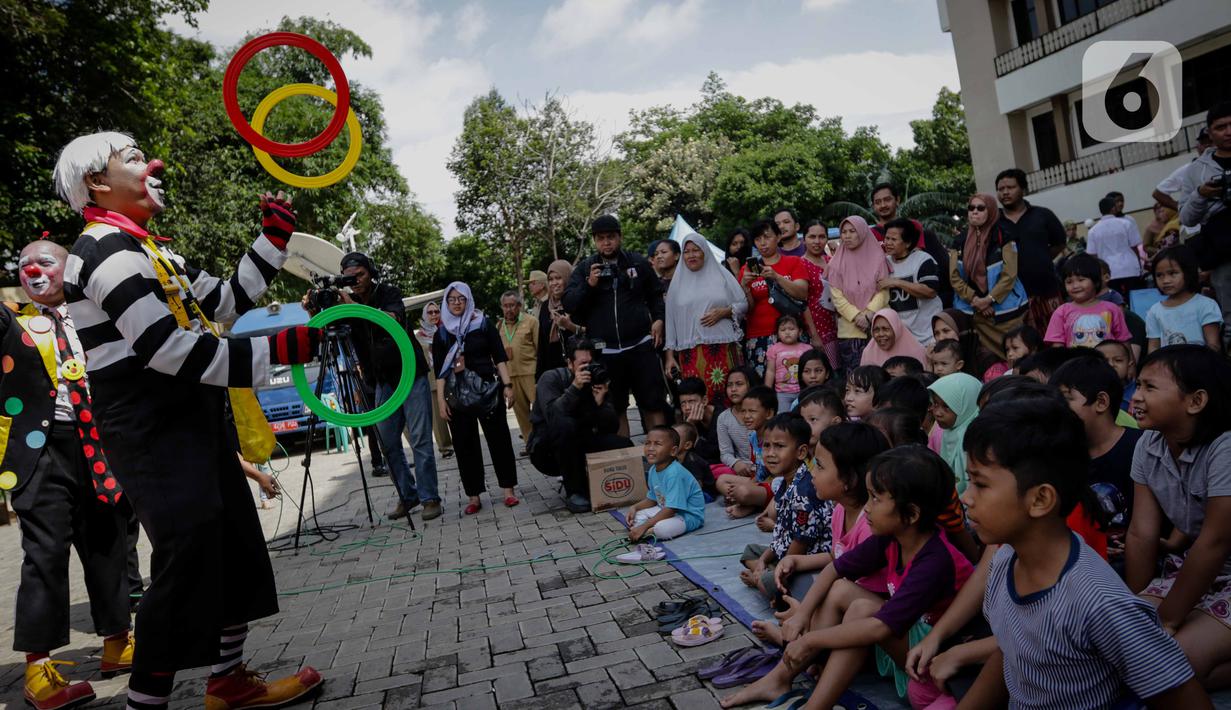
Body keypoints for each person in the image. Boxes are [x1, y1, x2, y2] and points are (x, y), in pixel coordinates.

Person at [55, 132, 321, 709]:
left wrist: (272, 240)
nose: (150, 163)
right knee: (188, 556)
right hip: (150, 427)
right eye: (132, 158)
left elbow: (224, 301)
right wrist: (275, 351)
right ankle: (145, 703)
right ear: (97, 183)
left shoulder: (150, 248)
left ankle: (228, 681)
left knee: (233, 544)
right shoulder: (103, 249)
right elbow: (163, 347)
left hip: (192, 416)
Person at [956, 398, 1208, 709]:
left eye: (980, 484)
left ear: (1040, 500)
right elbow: (1012, 653)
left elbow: (1182, 697)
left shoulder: (1100, 603)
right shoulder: (1005, 560)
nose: (966, 497)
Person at [721, 446, 973, 709]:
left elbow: (880, 628)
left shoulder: (935, 561)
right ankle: (782, 677)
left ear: (911, 514)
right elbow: (835, 568)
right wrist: (802, 615)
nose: (867, 509)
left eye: (875, 499)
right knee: (842, 589)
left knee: (864, 612)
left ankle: (815, 700)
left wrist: (810, 639)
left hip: (932, 664)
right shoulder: (892, 536)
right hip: (909, 642)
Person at [5, 240, 135, 710]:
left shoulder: (97, 315)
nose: (33, 271)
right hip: (41, 450)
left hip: (99, 443)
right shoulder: (13, 324)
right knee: (45, 552)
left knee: (108, 542)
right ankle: (38, 667)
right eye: (24, 266)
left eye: (45, 262)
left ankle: (117, 642)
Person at [1126, 345, 1231, 687]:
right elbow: (1141, 532)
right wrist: (1137, 608)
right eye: (1137, 385)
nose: (1136, 397)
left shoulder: (1225, 447)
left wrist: (1167, 621)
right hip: (1196, 571)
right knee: (1122, 642)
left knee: (1172, 663)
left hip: (1219, 566)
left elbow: (1215, 542)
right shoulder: (1148, 445)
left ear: (1195, 401)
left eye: (1149, 387)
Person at [314, 251, 440, 522]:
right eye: (349, 278)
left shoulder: (389, 293)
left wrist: (355, 307)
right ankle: (408, 495)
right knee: (387, 442)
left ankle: (430, 498)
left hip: (411, 374)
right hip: (382, 380)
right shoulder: (347, 304)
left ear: (370, 272)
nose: (356, 281)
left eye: (360, 275)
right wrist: (315, 308)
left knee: (420, 439)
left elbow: (391, 319)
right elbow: (325, 330)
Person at [757, 422, 891, 647]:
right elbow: (837, 556)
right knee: (786, 581)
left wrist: (805, 612)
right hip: (842, 591)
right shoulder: (840, 510)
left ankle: (798, 636)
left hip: (863, 611)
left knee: (819, 591)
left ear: (849, 480)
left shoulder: (869, 526)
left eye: (819, 466)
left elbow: (847, 582)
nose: (812, 473)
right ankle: (801, 626)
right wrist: (797, 560)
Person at [563, 215, 669, 434]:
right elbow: (569, 304)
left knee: (653, 403)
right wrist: (589, 285)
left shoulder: (637, 262)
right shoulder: (585, 268)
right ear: (594, 241)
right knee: (615, 408)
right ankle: (626, 452)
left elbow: (656, 294)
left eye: (611, 237)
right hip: (606, 350)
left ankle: (661, 451)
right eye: (601, 238)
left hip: (641, 345)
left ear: (619, 237)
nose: (606, 242)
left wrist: (659, 319)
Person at [433, 282, 519, 515]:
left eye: (461, 298)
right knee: (464, 445)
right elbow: (440, 371)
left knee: (499, 439)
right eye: (452, 299)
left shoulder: (482, 323)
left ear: (468, 299)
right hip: (456, 396)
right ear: (446, 302)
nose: (457, 303)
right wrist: (440, 401)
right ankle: (474, 496)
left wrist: (508, 385)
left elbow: (499, 356)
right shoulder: (442, 332)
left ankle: (508, 490)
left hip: (487, 390)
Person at [1052, 356, 1144, 566]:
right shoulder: (1062, 453)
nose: (1056, 408)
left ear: (1101, 402)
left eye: (1065, 399)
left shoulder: (1140, 447)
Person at [528, 337, 632, 513]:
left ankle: (609, 482)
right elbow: (554, 417)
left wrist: (599, 405)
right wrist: (575, 387)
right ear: (570, 363)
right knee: (566, 425)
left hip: (581, 441)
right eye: (583, 364)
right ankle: (575, 492)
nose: (589, 368)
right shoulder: (551, 378)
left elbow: (611, 426)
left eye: (591, 362)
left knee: (623, 445)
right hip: (546, 450)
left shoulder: (597, 379)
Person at [741, 415, 831, 605]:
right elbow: (782, 535)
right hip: (787, 550)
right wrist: (763, 561)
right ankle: (765, 573)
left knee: (768, 582)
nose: (770, 453)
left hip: (807, 560)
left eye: (779, 446)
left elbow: (800, 544)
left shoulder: (804, 491)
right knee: (750, 551)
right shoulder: (786, 481)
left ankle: (767, 581)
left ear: (801, 452)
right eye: (766, 446)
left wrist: (770, 574)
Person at [663, 232, 747, 406]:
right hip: (691, 354)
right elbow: (670, 321)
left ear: (705, 252)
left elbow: (743, 304)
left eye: (696, 250)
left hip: (724, 349)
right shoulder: (677, 285)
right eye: (687, 251)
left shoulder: (722, 276)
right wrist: (670, 356)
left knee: (728, 397)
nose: (691, 255)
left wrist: (725, 312)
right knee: (698, 401)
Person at [950, 192, 1028, 359]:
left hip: (1006, 311)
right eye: (971, 208)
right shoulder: (959, 241)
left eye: (980, 208)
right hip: (975, 312)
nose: (974, 211)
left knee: (1016, 354)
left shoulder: (1004, 236)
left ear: (991, 211)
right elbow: (955, 277)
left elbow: (1010, 274)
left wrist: (989, 299)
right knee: (989, 360)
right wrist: (975, 300)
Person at [1180, 104, 1231, 348]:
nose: (1228, 132)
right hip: (1223, 251)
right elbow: (1187, 218)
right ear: (1210, 133)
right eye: (1221, 127)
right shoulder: (1196, 170)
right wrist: (1201, 194)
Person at [995, 168, 1068, 332]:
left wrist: (1040, 258)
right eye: (1000, 189)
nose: (1005, 192)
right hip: (1010, 296)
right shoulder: (993, 222)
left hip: (1046, 289)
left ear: (1023, 189)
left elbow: (1060, 243)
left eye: (1010, 187)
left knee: (1056, 335)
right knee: (1020, 341)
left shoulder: (1043, 215)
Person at [738, 219, 810, 377]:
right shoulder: (746, 270)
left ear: (778, 237)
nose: (762, 243)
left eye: (767, 237)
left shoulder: (794, 262)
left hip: (792, 333)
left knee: (795, 382)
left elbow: (802, 293)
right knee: (764, 385)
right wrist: (744, 286)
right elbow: (747, 309)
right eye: (757, 239)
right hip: (758, 336)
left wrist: (777, 277)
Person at [869, 182, 953, 307]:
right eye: (878, 202)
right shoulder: (869, 234)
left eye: (887, 200)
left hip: (915, 289)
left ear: (897, 200)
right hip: (884, 295)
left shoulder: (912, 226)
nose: (883, 205)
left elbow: (915, 255)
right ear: (873, 206)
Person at [828, 216, 891, 373]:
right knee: (855, 376)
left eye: (852, 231)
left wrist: (868, 314)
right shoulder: (836, 262)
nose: (847, 236)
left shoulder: (878, 258)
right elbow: (837, 296)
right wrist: (857, 316)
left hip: (879, 326)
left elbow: (883, 290)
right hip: (850, 330)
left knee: (882, 375)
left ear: (862, 232)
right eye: (844, 232)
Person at [625, 426, 705, 542]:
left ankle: (647, 531)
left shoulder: (674, 473)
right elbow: (653, 499)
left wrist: (644, 526)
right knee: (637, 515)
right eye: (647, 443)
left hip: (687, 516)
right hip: (665, 508)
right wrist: (634, 507)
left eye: (657, 444)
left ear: (673, 451)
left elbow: (671, 509)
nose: (650, 448)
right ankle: (645, 530)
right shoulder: (653, 470)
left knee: (662, 529)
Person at [1044, 253, 1133, 349]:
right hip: (1076, 359)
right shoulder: (1061, 312)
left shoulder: (1112, 309)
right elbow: (1057, 346)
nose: (1075, 286)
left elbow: (1123, 340)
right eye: (1069, 282)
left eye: (1081, 280)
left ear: (1096, 282)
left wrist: (1129, 358)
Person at [716, 386, 779, 518]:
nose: (746, 416)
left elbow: (779, 476)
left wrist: (750, 487)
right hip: (760, 481)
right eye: (743, 411)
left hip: (776, 484)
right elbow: (758, 469)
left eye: (752, 411)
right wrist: (752, 483)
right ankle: (748, 500)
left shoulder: (776, 438)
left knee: (743, 492)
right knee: (721, 480)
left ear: (769, 413)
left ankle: (750, 504)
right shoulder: (753, 437)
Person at [1146, 245, 1223, 352]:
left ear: (1188, 273)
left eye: (1172, 273)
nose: (1165, 280)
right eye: (1159, 275)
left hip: (1201, 361)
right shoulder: (1155, 311)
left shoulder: (1205, 305)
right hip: (1167, 362)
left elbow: (1213, 346)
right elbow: (1153, 348)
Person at [879, 218, 943, 347]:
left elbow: (930, 291)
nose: (888, 243)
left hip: (928, 335)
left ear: (907, 243)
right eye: (887, 238)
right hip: (900, 337)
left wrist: (897, 282)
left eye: (894, 239)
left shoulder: (923, 259)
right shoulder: (883, 263)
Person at [927, 373, 981, 494]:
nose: (937, 413)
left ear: (967, 405)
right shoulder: (948, 431)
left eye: (946, 406)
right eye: (935, 404)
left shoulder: (972, 440)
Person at [498, 290, 538, 454]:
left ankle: (546, 442)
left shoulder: (531, 322)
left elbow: (540, 348)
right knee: (522, 414)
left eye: (512, 305)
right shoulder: (499, 326)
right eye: (505, 306)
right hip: (511, 376)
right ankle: (531, 445)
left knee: (540, 410)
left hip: (530, 373)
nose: (509, 309)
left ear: (519, 306)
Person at [415, 302, 454, 459]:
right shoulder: (418, 337)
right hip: (431, 378)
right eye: (430, 312)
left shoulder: (447, 330)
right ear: (425, 315)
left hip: (449, 376)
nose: (433, 315)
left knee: (454, 409)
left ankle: (460, 439)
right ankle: (445, 447)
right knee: (438, 417)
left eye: (436, 312)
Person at [799, 218, 840, 367]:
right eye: (812, 237)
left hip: (840, 327)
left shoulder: (831, 260)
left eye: (822, 237)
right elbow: (803, 303)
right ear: (804, 240)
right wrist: (814, 336)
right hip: (818, 330)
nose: (817, 241)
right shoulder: (800, 264)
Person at [1087, 196, 1146, 299]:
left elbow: (1092, 255)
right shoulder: (1126, 223)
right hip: (1130, 268)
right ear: (1113, 208)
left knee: (1115, 301)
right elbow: (1134, 246)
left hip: (1109, 272)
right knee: (1135, 300)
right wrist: (1139, 265)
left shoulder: (1093, 230)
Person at [931, 309, 1008, 382]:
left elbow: (999, 388)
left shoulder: (986, 360)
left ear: (961, 330)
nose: (941, 338)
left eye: (946, 331)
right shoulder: (935, 358)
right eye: (937, 333)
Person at [536, 259, 578, 379]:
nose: (554, 283)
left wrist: (569, 325)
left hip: (576, 369)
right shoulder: (545, 307)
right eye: (550, 279)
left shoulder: (576, 302)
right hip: (552, 372)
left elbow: (588, 333)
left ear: (567, 278)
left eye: (558, 278)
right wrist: (539, 377)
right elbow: (542, 344)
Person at [764, 314, 811, 413]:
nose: (787, 332)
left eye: (791, 329)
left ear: (800, 332)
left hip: (804, 391)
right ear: (777, 334)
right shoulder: (773, 349)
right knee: (783, 417)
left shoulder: (807, 349)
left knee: (804, 416)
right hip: (782, 393)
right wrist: (767, 391)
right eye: (783, 330)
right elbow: (770, 371)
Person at [716, 367, 757, 479]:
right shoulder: (723, 418)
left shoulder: (763, 412)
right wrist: (736, 463)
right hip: (742, 469)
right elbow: (725, 453)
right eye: (729, 385)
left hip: (766, 467)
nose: (733, 389)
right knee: (721, 479)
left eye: (739, 384)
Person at [860, 308, 929, 370]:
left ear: (896, 330)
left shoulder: (917, 352)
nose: (881, 334)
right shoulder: (868, 353)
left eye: (885, 329)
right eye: (876, 330)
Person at [673, 422, 718, 502]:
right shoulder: (673, 459)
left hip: (705, 492)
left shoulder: (693, 461)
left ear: (687, 445)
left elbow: (698, 486)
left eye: (674, 439)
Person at [1095, 339, 1138, 414]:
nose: (1111, 364)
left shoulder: (1138, 391)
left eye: (1118, 360)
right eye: (1104, 361)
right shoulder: (1090, 393)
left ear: (1129, 365)